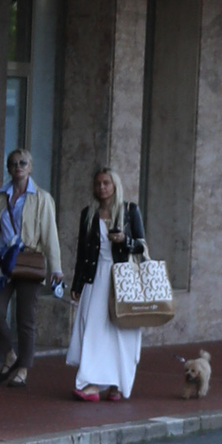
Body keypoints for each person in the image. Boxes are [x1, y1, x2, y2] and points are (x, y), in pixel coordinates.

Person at [66, 166, 145, 402]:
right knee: (94, 330)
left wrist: (125, 240)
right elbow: (82, 252)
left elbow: (141, 244)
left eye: (106, 183)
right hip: (96, 277)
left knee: (121, 333)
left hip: (123, 278)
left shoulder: (130, 211)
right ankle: (92, 383)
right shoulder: (88, 213)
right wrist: (77, 283)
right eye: (98, 183)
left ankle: (116, 384)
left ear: (115, 185)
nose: (102, 187)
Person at [0, 148, 61, 389]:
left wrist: (56, 268)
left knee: (25, 318)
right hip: (4, 262)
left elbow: (50, 236)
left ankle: (23, 369)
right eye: (13, 163)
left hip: (29, 261)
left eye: (23, 162)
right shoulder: (1, 198)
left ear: (30, 167)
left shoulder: (42, 198)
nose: (18, 166)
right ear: (8, 169)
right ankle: (9, 354)